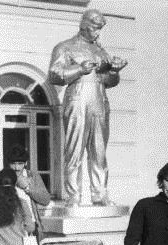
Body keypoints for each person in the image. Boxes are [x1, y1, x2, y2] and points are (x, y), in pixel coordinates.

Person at [48, 8, 128, 206]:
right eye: (94, 28)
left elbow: (108, 81)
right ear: (84, 25)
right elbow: (55, 75)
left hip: (99, 101)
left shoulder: (101, 51)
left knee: (99, 151)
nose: (97, 33)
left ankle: (100, 194)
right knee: (74, 149)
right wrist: (79, 69)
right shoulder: (65, 47)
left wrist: (115, 71)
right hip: (77, 100)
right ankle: (73, 195)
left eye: (100, 29)